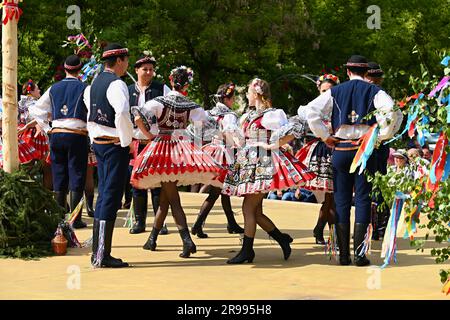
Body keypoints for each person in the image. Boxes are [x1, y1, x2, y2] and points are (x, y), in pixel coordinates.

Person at [306, 55, 398, 266]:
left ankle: (343, 255)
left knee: (341, 200)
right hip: (363, 151)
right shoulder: (375, 91)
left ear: (348, 72)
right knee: (363, 199)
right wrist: (380, 135)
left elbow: (310, 111)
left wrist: (324, 136)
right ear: (366, 73)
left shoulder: (335, 91)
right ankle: (359, 254)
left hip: (341, 149)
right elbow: (391, 112)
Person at [131, 66, 224, 258]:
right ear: (186, 84)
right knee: (166, 197)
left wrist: (149, 134)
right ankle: (152, 239)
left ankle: (187, 241)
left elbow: (138, 114)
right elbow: (208, 123)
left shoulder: (158, 101)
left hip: (162, 150)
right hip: (181, 150)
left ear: (171, 81)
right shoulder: (190, 105)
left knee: (172, 198)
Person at [222, 78, 315, 264]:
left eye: (248, 92)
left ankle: (247, 251)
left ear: (256, 94)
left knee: (248, 208)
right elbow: (240, 139)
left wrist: (272, 145)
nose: (246, 96)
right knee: (255, 212)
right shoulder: (248, 116)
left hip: (263, 163)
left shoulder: (272, 115)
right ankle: (281, 239)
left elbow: (292, 131)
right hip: (250, 163)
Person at [85, 43, 134, 268]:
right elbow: (123, 112)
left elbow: (91, 114)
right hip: (114, 146)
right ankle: (102, 254)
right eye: (126, 60)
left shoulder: (94, 83)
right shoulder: (117, 84)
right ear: (120, 60)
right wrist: (127, 140)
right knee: (111, 197)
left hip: (99, 144)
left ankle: (98, 251)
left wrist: (95, 137)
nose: (127, 65)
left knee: (104, 195)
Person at [30, 56, 89, 228]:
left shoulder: (53, 88)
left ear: (65, 69)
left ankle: (59, 217)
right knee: (77, 174)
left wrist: (48, 128)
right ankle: (75, 219)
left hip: (57, 135)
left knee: (59, 173)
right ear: (80, 70)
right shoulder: (85, 87)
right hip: (77, 134)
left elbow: (36, 110)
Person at [190, 83, 244, 238]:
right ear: (227, 99)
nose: (233, 101)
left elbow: (197, 131)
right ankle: (198, 225)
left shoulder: (208, 113)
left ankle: (231, 223)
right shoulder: (229, 115)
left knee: (222, 189)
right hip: (224, 153)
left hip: (210, 151)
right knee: (216, 192)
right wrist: (239, 146)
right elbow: (230, 133)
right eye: (233, 98)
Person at [127, 53, 171, 234]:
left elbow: (171, 112)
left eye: (151, 69)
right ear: (136, 70)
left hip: (157, 142)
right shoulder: (128, 90)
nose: (148, 72)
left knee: (158, 182)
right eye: (145, 69)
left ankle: (159, 222)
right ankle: (139, 222)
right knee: (137, 182)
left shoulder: (162, 89)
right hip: (135, 142)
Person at [297, 73, 339, 244]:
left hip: (338, 149)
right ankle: (329, 232)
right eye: (323, 90)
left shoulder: (339, 105)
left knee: (333, 196)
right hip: (322, 152)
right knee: (331, 196)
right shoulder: (311, 108)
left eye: (329, 91)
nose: (326, 94)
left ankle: (323, 230)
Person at [17, 80, 53, 190]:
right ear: (31, 91)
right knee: (47, 166)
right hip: (35, 135)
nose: (39, 90)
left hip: (21, 134)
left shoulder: (19, 103)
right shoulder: (36, 104)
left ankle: (28, 193)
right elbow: (38, 119)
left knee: (27, 168)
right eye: (37, 89)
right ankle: (46, 194)